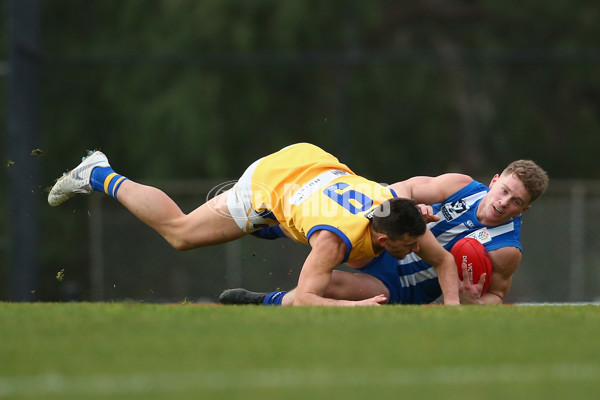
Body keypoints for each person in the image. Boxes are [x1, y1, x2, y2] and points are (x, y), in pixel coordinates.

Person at [48, 143, 460, 306]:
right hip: (272, 182)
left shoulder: (393, 211)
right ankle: (98, 172)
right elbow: (305, 301)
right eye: (408, 246)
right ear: (384, 236)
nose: (415, 250)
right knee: (181, 234)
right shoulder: (333, 242)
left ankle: (274, 225)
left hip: (308, 164)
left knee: (346, 253)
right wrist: (357, 308)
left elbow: (443, 262)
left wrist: (455, 310)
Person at [220, 159, 549, 305]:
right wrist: (408, 210)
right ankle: (275, 224)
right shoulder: (460, 186)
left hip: (401, 284)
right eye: (504, 190)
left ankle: (264, 302)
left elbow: (497, 298)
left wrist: (473, 303)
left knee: (326, 287)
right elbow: (399, 188)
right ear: (494, 180)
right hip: (389, 243)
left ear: (525, 209)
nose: (504, 202)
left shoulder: (506, 248)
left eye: (516, 200)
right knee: (348, 221)